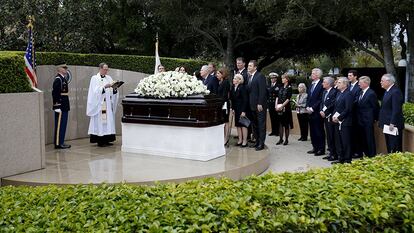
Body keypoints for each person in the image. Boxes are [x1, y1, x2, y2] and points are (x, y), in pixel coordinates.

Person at [86, 63, 119, 147]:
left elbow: (112, 92)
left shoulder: (109, 78)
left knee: (108, 122)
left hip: (107, 103)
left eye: (107, 69)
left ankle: (107, 139)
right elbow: (94, 92)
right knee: (101, 122)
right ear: (100, 69)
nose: (106, 71)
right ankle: (100, 140)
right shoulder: (94, 78)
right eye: (105, 69)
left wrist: (114, 89)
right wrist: (104, 87)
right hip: (100, 104)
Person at [379, 73, 404, 153]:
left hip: (393, 125)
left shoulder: (395, 92)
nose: (380, 82)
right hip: (387, 124)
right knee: (389, 146)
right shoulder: (388, 91)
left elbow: (396, 109)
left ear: (388, 81)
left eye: (382, 81)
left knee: (395, 146)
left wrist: (392, 123)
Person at [332, 77, 353, 164]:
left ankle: (347, 159)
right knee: (339, 140)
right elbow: (336, 107)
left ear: (345, 84)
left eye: (339, 82)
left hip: (345, 121)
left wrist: (339, 118)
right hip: (337, 121)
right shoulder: (339, 93)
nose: (337, 84)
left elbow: (348, 109)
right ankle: (341, 158)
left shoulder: (348, 94)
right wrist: (334, 116)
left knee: (345, 141)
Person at [247, 60, 267, 151]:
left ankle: (261, 144)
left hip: (259, 106)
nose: (248, 67)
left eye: (250, 66)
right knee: (255, 125)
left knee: (261, 125)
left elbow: (262, 91)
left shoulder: (260, 76)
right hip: (252, 105)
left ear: (255, 67)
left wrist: (260, 103)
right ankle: (257, 141)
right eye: (248, 65)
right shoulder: (249, 77)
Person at [356, 76, 379, 157]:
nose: (358, 84)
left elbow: (375, 107)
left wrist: (375, 119)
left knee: (369, 139)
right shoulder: (360, 92)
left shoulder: (371, 93)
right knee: (363, 139)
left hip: (368, 121)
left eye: (360, 83)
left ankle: (372, 156)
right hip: (360, 120)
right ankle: (365, 154)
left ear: (366, 83)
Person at [306, 68, 326, 155]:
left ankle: (321, 149)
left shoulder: (322, 84)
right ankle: (315, 147)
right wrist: (307, 107)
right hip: (309, 111)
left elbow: (320, 99)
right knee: (313, 131)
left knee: (319, 130)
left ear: (318, 75)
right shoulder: (311, 84)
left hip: (317, 112)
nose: (311, 75)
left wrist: (313, 108)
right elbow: (308, 97)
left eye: (313, 73)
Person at [52, 63, 71, 149]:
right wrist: (57, 106)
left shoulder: (62, 79)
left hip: (64, 105)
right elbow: (55, 93)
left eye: (66, 67)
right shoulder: (58, 79)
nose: (66, 69)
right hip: (60, 106)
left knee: (63, 124)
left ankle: (61, 141)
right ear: (59, 69)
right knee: (60, 125)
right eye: (64, 67)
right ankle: (58, 143)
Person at [319, 77, 338, 160]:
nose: (322, 83)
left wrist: (325, 112)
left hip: (330, 116)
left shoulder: (334, 92)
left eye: (324, 82)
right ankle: (331, 153)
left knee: (332, 135)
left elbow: (332, 104)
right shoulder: (324, 92)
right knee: (328, 135)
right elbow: (322, 103)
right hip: (325, 116)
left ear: (328, 84)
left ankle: (334, 154)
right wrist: (321, 110)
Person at [230, 74, 249, 147]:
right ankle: (240, 140)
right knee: (238, 125)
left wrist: (243, 111)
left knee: (243, 125)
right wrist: (233, 109)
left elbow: (245, 100)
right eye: (234, 78)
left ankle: (245, 141)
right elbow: (232, 99)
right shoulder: (233, 87)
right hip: (236, 110)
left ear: (239, 80)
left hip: (242, 109)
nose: (233, 79)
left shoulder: (242, 87)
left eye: (235, 78)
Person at [347, 70, 363, 158]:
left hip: (356, 114)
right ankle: (352, 151)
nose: (349, 77)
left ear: (355, 76)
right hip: (349, 115)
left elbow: (357, 100)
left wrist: (348, 106)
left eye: (350, 75)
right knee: (351, 134)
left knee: (356, 134)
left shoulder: (359, 86)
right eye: (348, 75)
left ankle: (358, 152)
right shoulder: (348, 86)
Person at [275, 74, 293, 145]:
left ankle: (286, 139)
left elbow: (288, 99)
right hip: (279, 107)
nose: (282, 79)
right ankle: (280, 139)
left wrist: (282, 106)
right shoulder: (281, 87)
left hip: (286, 108)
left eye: (283, 78)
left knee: (286, 124)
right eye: (282, 78)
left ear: (287, 79)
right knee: (280, 124)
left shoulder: (289, 88)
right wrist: (276, 106)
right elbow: (277, 97)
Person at [217, 67, 231, 144]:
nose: (217, 75)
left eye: (218, 73)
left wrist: (220, 104)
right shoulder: (220, 82)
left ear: (223, 74)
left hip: (224, 104)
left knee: (226, 121)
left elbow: (225, 95)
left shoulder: (226, 82)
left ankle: (226, 138)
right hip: (221, 104)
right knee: (223, 121)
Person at [267, 72, 280, 136]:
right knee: (272, 118)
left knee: (276, 118)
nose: (272, 79)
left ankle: (277, 132)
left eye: (273, 78)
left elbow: (278, 95)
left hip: (275, 103)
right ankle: (273, 131)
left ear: (276, 79)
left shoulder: (278, 86)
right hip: (270, 104)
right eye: (271, 78)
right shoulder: (269, 85)